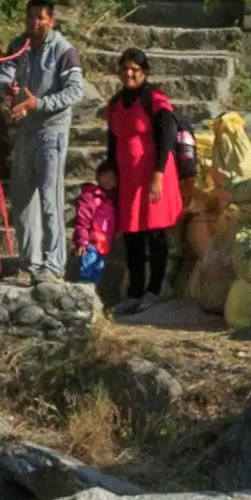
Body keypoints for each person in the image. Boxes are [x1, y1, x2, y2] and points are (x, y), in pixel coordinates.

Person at [0, 0, 84, 281]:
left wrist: (40, 104)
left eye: (40, 17)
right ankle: (29, 263)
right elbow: (3, 72)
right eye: (30, 17)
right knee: (22, 200)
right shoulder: (18, 45)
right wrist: (8, 87)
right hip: (24, 131)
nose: (33, 23)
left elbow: (75, 91)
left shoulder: (64, 50)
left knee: (50, 198)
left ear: (51, 20)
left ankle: (54, 264)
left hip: (52, 130)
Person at [98, 49, 187, 312]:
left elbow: (167, 136)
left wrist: (158, 174)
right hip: (128, 178)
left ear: (144, 72)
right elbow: (113, 142)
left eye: (135, 69)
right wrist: (110, 169)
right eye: (125, 68)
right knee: (132, 235)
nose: (129, 73)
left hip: (152, 174)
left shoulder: (155, 98)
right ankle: (135, 292)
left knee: (155, 233)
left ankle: (155, 290)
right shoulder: (116, 103)